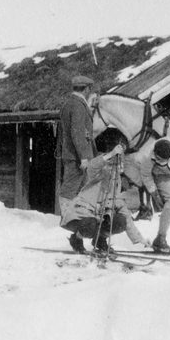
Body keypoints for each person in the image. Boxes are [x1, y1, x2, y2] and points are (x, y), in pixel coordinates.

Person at [60, 129, 152, 253]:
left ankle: (100, 240)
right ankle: (76, 239)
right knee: (90, 225)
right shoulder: (100, 170)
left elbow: (124, 211)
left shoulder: (116, 179)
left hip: (97, 219)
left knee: (120, 221)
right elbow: (91, 167)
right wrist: (110, 155)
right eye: (119, 157)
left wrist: (140, 240)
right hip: (80, 217)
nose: (121, 161)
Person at [57, 74, 97, 252]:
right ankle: (69, 222)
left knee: (80, 193)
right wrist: (83, 157)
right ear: (86, 89)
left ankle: (77, 233)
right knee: (73, 191)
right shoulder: (78, 105)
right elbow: (78, 133)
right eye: (90, 89)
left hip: (75, 156)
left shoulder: (70, 103)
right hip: (77, 158)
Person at [142, 138, 170, 253]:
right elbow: (146, 175)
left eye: (162, 159)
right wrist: (154, 193)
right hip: (159, 175)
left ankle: (168, 214)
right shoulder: (147, 157)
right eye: (158, 158)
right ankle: (160, 239)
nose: (159, 160)